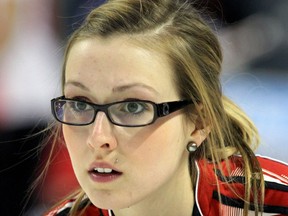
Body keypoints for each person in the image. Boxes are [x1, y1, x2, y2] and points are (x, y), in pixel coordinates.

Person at [44, 0, 288, 215]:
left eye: (132, 107)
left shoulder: (276, 204)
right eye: (79, 103)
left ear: (199, 123)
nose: (98, 138)